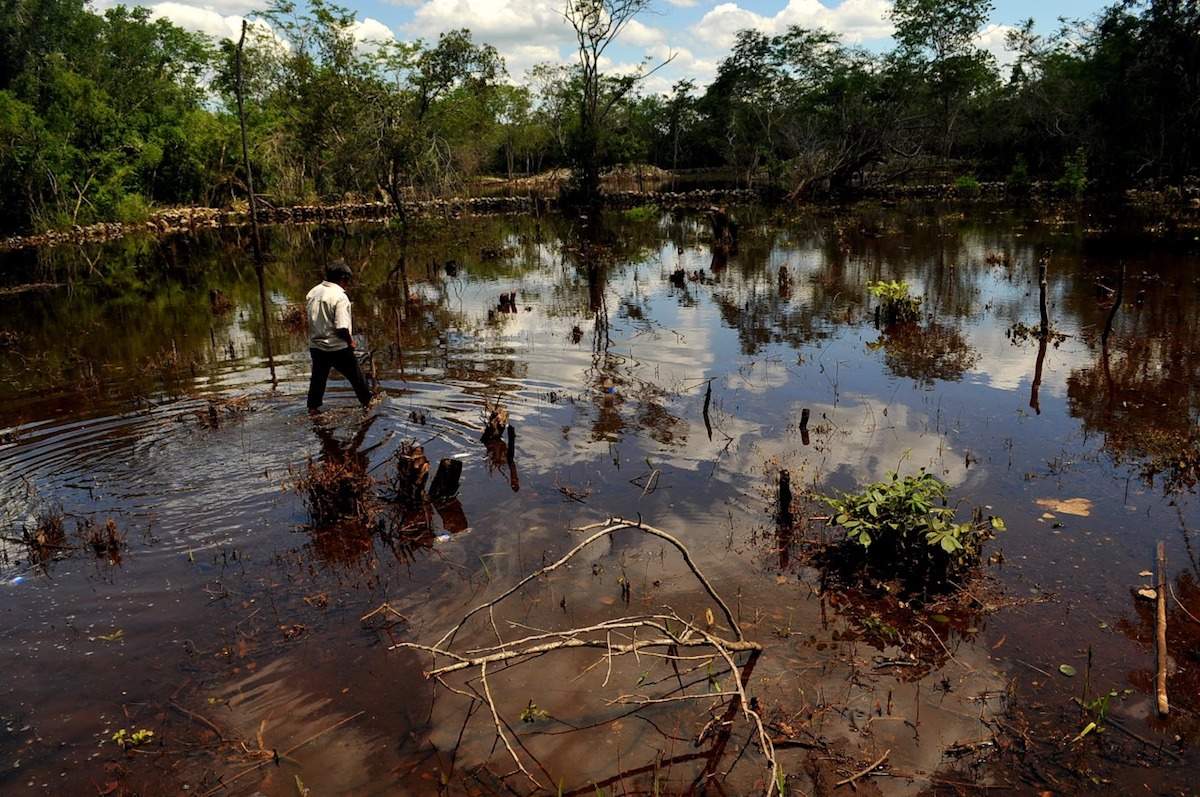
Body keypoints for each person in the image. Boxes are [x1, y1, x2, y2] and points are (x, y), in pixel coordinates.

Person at [306, 260, 373, 410]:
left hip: (316, 346)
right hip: (336, 347)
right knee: (357, 377)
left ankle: (312, 409)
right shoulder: (340, 297)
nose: (348, 283)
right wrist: (350, 341)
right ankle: (368, 404)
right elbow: (341, 326)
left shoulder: (313, 292)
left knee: (318, 380)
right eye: (347, 279)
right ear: (342, 278)